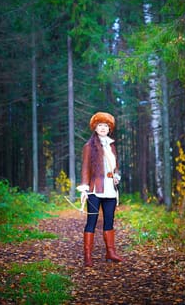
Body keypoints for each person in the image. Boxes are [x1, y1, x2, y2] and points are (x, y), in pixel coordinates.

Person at [76, 111, 124, 267]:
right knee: (92, 221)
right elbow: (85, 168)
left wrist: (116, 175)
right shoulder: (88, 146)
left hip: (110, 189)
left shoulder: (111, 146)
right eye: (100, 125)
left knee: (109, 220)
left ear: (109, 128)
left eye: (106, 125)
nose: (103, 128)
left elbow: (115, 166)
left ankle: (110, 252)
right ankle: (87, 256)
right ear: (95, 128)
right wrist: (84, 189)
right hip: (95, 189)